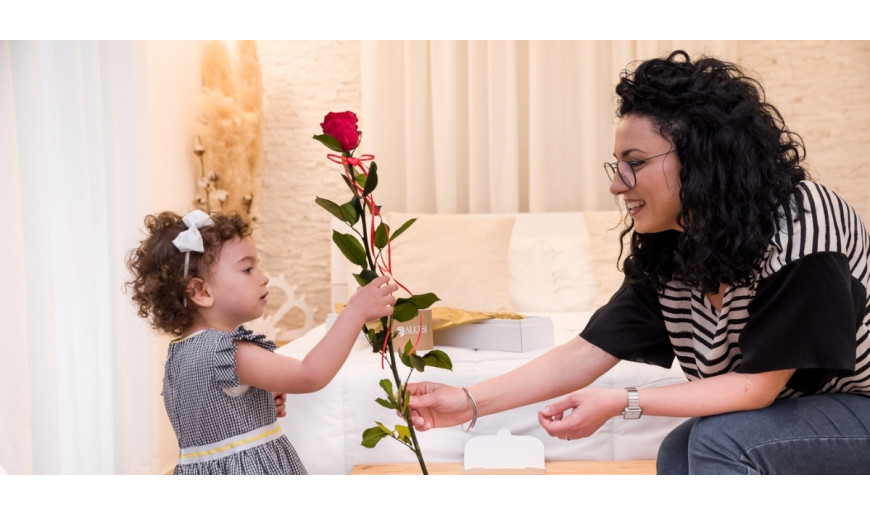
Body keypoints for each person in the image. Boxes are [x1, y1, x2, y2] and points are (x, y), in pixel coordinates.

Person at [406, 50, 870, 474]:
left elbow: (757, 388)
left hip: (859, 405)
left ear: (703, 159)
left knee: (719, 441)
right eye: (617, 164)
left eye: (636, 162)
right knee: (677, 449)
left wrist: (622, 401)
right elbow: (586, 351)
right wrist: (467, 401)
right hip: (809, 407)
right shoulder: (674, 244)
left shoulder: (803, 229)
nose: (617, 184)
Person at [126, 210, 397, 474]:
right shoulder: (228, 351)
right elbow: (309, 375)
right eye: (247, 269)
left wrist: (258, 402)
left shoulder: (179, 353)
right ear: (201, 291)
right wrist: (354, 313)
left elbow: (215, 415)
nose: (263, 277)